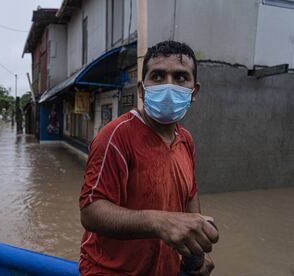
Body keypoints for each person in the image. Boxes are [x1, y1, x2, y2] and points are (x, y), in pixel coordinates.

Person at [79, 41, 219, 276]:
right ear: (142, 90)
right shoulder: (115, 136)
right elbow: (91, 211)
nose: (168, 85)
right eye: (158, 76)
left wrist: (195, 254)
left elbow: (190, 194)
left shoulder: (186, 139)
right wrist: (160, 222)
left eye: (180, 77)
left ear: (194, 92)